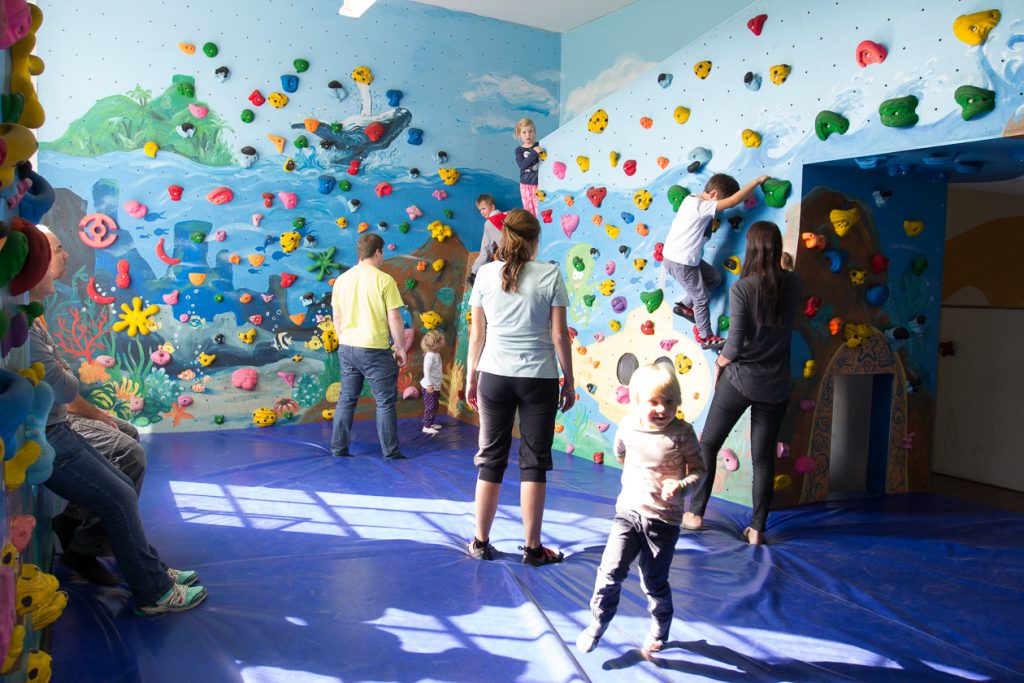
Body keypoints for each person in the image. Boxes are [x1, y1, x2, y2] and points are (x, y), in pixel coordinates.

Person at [30, 228, 206, 614]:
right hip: (47, 434)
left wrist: (65, 375)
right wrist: (67, 374)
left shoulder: (34, 316)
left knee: (122, 483)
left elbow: (61, 379)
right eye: (59, 250)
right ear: (39, 263)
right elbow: (62, 384)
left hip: (53, 427)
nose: (66, 257)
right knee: (120, 493)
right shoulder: (27, 325)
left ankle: (148, 571)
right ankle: (153, 591)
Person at [465, 208, 574, 565]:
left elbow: (477, 334)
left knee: (490, 462)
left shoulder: (484, 275)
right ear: (533, 240)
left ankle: (480, 543)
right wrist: (568, 380)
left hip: (493, 375)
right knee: (534, 463)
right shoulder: (549, 274)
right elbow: (559, 335)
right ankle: (532, 548)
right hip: (538, 378)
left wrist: (471, 376)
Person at [683, 221, 802, 545]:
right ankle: (758, 529)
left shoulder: (743, 288)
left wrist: (720, 362)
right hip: (776, 385)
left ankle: (694, 514)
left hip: (741, 379)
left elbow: (734, 345)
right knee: (763, 458)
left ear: (750, 249)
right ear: (776, 249)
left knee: (708, 444)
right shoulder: (793, 284)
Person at [576, 364, 704, 655]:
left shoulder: (682, 433)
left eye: (669, 402)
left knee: (653, 581)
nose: (663, 409)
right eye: (654, 402)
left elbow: (700, 470)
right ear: (637, 403)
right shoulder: (629, 427)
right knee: (609, 571)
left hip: (664, 520)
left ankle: (661, 624)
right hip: (629, 514)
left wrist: (682, 485)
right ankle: (598, 622)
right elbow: (620, 451)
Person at [663, 173, 768, 350]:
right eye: (720, 202)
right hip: (682, 261)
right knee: (701, 296)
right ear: (713, 194)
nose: (722, 209)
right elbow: (734, 201)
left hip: (681, 258)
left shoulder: (690, 199)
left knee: (715, 278)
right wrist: (757, 181)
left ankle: (684, 306)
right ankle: (706, 337)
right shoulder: (701, 205)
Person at [330, 232, 408, 460]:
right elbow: (394, 318)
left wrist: (344, 339)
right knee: (384, 402)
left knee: (346, 399)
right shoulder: (384, 280)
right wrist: (400, 348)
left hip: (347, 346)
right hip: (374, 349)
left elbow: (337, 318)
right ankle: (391, 453)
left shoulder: (342, 280)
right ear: (378, 252)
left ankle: (338, 449)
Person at [468, 194, 505, 286]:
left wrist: (474, 271)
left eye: (484, 208)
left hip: (505, 257)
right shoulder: (506, 216)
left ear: (492, 207)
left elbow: (486, 249)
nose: (482, 212)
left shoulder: (489, 223)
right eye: (480, 210)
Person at [513, 118, 543, 217]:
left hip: (538, 184)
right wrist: (534, 152)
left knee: (540, 209)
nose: (528, 135)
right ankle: (532, 232)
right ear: (519, 135)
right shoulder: (519, 150)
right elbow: (522, 165)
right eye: (524, 132)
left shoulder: (540, 145)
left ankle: (542, 231)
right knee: (529, 212)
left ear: (534, 132)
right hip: (525, 185)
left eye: (530, 131)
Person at [419, 329, 445, 436]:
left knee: (435, 405)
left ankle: (430, 423)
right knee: (430, 406)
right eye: (442, 339)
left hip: (435, 386)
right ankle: (426, 426)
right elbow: (426, 370)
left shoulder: (435, 354)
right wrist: (429, 384)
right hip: (429, 386)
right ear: (436, 343)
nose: (444, 340)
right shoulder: (430, 356)